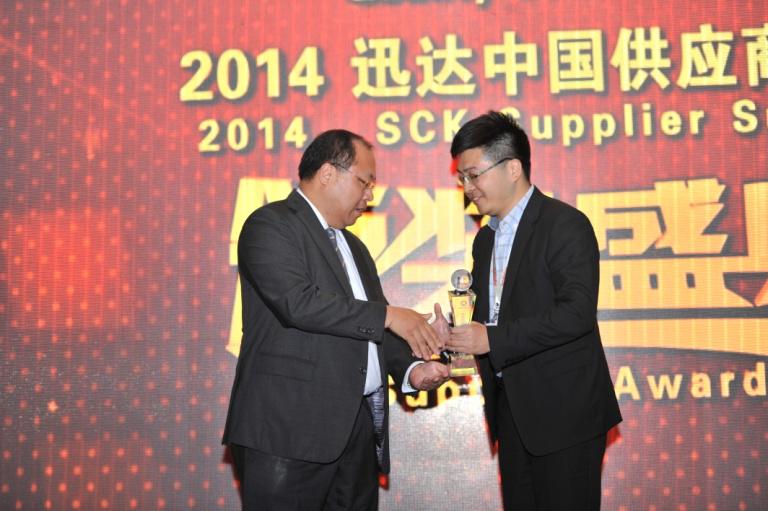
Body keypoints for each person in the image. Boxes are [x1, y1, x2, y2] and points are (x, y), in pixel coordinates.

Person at [222, 129, 449, 510]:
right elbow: (299, 303)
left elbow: (370, 329)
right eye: (364, 182)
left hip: (354, 432)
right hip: (287, 429)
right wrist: (390, 316)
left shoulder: (354, 247)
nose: (370, 195)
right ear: (328, 173)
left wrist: (411, 369)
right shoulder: (271, 224)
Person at [446, 111, 622, 510]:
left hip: (565, 414)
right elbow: (489, 319)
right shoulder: (485, 241)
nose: (468, 188)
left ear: (512, 168)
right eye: (462, 179)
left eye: (473, 175)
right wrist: (454, 333)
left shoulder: (564, 224)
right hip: (512, 412)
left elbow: (576, 313)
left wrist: (491, 338)